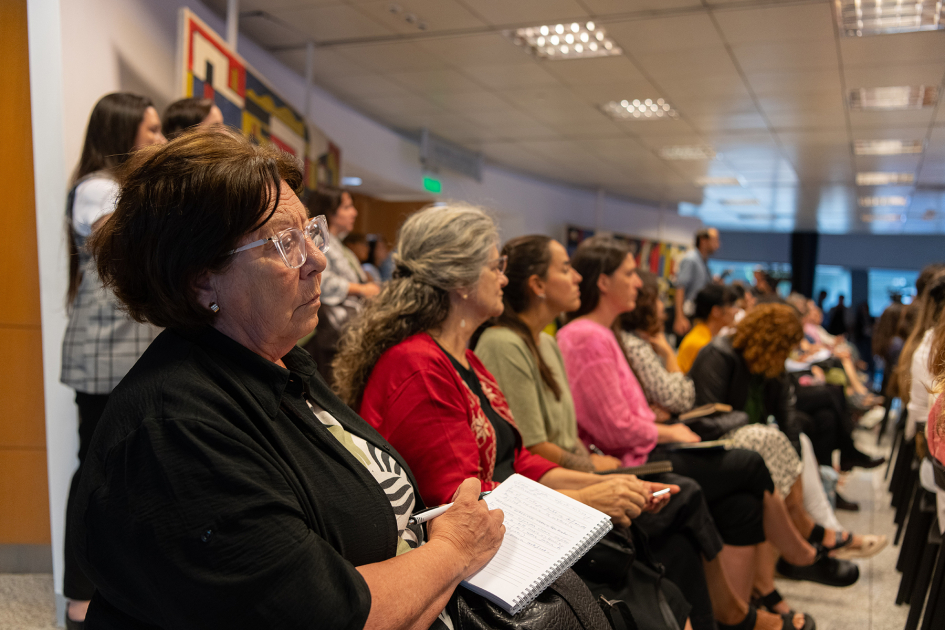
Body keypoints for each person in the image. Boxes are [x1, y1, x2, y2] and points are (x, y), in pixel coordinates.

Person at [71, 128, 507, 630]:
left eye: (311, 233)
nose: (318, 261)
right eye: (284, 243)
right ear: (200, 278)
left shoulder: (279, 363)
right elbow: (327, 616)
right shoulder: (173, 432)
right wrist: (452, 551)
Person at [333, 207, 695, 630]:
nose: (504, 277)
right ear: (458, 279)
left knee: (652, 576)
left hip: (507, 532)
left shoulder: (464, 358)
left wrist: (605, 485)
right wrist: (588, 499)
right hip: (475, 563)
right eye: (494, 266)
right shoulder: (418, 366)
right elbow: (461, 502)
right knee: (641, 586)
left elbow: (519, 460)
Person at [475, 236, 814, 630]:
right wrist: (612, 458)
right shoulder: (538, 339)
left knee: (732, 494)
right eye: (630, 273)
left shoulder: (551, 340)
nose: (640, 284)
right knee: (711, 482)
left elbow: (591, 428)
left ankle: (747, 603)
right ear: (536, 284)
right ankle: (765, 585)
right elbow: (544, 445)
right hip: (573, 473)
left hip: (592, 461)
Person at [59, 92, 166, 628]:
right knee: (94, 475)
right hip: (103, 356)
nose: (157, 137)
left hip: (125, 353)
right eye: (149, 129)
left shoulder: (119, 189)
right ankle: (78, 592)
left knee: (121, 475)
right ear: (122, 131)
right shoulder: (96, 189)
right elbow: (125, 244)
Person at [301, 188, 379, 386]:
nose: (354, 212)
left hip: (344, 331)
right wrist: (361, 289)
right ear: (330, 210)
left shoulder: (339, 245)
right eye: (347, 207)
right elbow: (322, 282)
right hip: (328, 333)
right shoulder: (317, 240)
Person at [676, 284, 737, 373]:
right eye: (731, 306)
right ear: (716, 311)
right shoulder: (701, 344)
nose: (735, 311)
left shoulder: (705, 336)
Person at [673, 227, 719, 336]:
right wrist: (679, 318)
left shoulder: (703, 262)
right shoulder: (691, 259)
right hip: (688, 315)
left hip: (698, 315)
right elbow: (680, 288)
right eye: (715, 240)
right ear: (703, 241)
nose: (718, 245)